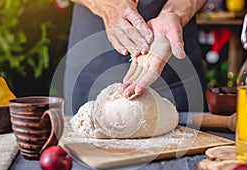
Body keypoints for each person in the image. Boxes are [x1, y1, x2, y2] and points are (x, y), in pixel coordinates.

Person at [64, 0, 207, 115]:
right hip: (92, 47)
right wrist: (104, 4)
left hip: (168, 47)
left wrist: (175, 13)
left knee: (182, 141)